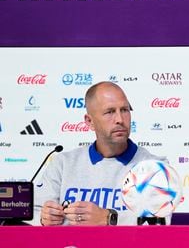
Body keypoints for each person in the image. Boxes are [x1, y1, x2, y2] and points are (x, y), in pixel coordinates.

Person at [33, 81, 167, 226]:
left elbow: (159, 222)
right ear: (89, 121)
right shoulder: (63, 164)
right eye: (110, 112)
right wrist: (43, 218)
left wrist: (108, 218)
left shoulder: (154, 167)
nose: (120, 120)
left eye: (124, 110)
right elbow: (33, 212)